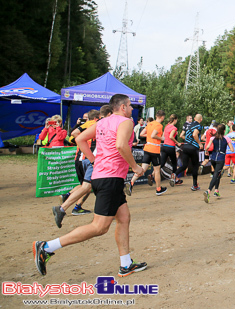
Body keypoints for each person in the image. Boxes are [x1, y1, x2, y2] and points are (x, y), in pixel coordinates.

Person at [33, 94, 147, 277]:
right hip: (110, 178)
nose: (132, 109)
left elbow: (78, 139)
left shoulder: (102, 122)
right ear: (123, 107)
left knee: (124, 218)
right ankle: (47, 247)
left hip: (104, 177)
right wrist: (135, 167)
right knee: (99, 227)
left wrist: (94, 161)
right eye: (130, 106)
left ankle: (126, 263)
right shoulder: (125, 122)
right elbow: (120, 145)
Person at [53, 109, 102, 227]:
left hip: (79, 159)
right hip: (89, 158)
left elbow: (71, 138)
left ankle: (69, 196)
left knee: (86, 185)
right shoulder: (97, 125)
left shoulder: (83, 125)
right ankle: (69, 207)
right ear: (97, 117)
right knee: (87, 186)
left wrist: (82, 139)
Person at [127, 110, 167, 196]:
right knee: (157, 170)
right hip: (154, 149)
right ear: (162, 117)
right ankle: (158, 189)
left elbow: (141, 134)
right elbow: (153, 135)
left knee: (143, 169)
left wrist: (149, 136)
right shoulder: (159, 125)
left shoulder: (150, 124)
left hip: (147, 148)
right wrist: (161, 138)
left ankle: (131, 183)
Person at [203, 124, 234, 203]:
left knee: (218, 174)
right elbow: (232, 149)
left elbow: (207, 147)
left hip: (213, 158)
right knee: (216, 175)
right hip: (221, 158)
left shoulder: (213, 138)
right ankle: (208, 190)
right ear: (224, 131)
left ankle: (216, 190)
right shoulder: (227, 138)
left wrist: (206, 151)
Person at [175, 114, 203, 191]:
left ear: (194, 118)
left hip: (185, 146)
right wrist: (199, 143)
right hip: (193, 148)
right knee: (195, 166)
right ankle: (195, 185)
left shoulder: (188, 125)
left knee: (184, 165)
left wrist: (188, 141)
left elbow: (182, 135)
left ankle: (174, 174)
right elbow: (195, 134)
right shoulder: (199, 126)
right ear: (201, 119)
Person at [160, 114, 182, 187]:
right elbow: (171, 137)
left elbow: (163, 137)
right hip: (170, 147)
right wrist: (177, 142)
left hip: (164, 146)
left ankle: (153, 174)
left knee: (162, 163)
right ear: (175, 120)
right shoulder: (174, 128)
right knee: (174, 163)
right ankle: (174, 178)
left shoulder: (166, 126)